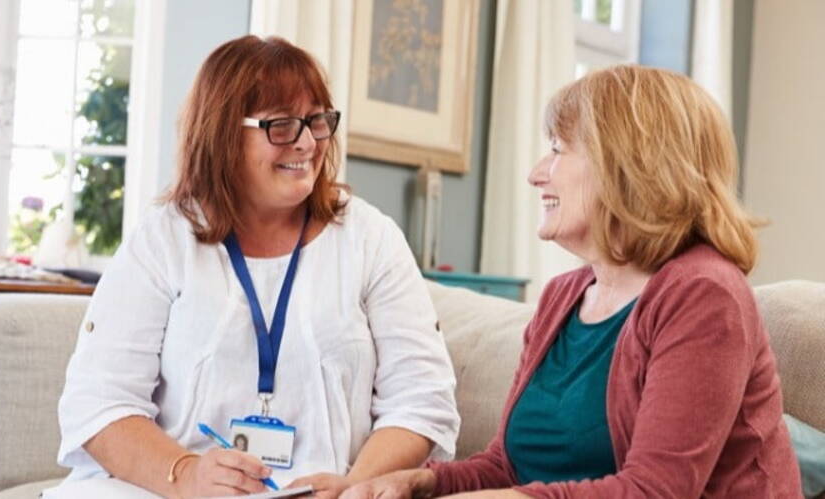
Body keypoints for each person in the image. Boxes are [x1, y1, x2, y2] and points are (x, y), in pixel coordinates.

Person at [341, 65, 802, 498]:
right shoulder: (563, 296)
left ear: (627, 165)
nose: (536, 173)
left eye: (558, 150)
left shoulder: (704, 294)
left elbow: (657, 490)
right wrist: (417, 483)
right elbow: (508, 466)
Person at [43, 35, 460, 499]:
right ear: (222, 133)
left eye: (316, 121)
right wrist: (185, 474)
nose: (306, 142)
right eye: (280, 125)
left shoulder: (371, 238)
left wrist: (354, 484)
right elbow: (100, 404)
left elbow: (421, 402)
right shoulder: (161, 241)